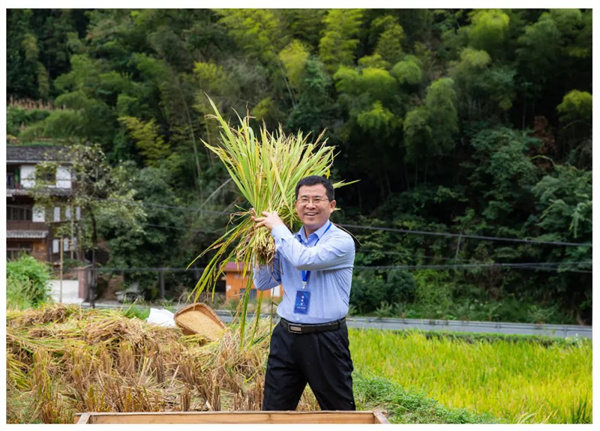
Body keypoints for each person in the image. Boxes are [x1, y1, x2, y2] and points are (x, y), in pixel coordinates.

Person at [251, 175, 356, 411]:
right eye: (304, 199)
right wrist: (258, 244)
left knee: (340, 414)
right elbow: (263, 282)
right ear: (296, 205)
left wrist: (277, 228)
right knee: (273, 414)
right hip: (286, 337)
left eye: (317, 199)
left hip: (326, 340)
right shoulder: (287, 240)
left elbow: (303, 260)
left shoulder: (341, 242)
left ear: (331, 205)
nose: (310, 205)